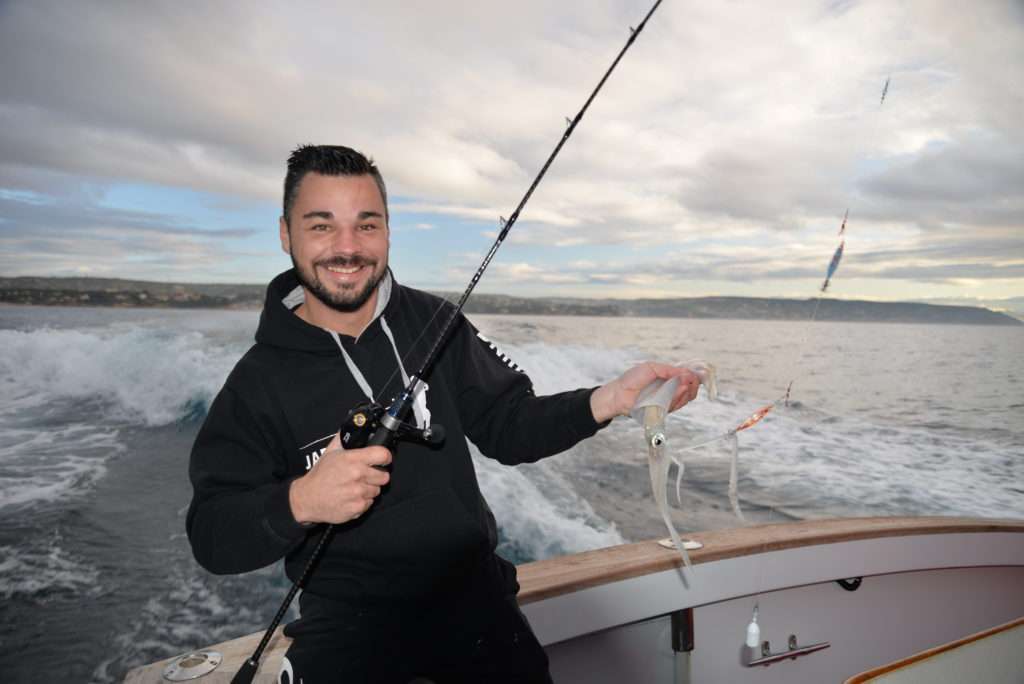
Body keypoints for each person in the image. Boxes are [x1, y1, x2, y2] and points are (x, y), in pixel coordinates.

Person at [187, 144, 701, 684]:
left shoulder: (437, 320)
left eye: (367, 225)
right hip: (349, 626)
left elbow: (510, 427)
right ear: (286, 234)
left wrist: (612, 398)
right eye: (321, 226)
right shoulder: (256, 382)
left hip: (476, 604)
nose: (347, 248)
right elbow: (212, 534)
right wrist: (301, 500)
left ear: (387, 231)